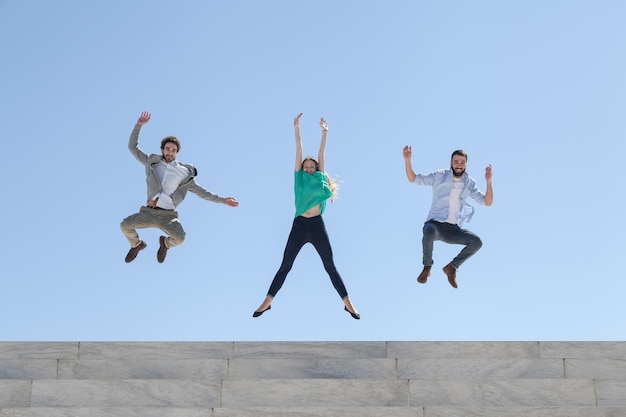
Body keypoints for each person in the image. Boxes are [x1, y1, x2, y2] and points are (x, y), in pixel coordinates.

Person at [253, 113, 360, 319]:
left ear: (317, 169)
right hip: (300, 225)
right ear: (302, 168)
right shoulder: (299, 178)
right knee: (286, 265)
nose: (309, 168)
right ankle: (267, 301)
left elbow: (321, 152)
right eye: (306, 166)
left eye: (312, 166)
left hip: (317, 226)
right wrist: (296, 127)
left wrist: (325, 133)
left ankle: (348, 303)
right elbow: (299, 149)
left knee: (330, 266)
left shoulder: (320, 177)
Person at [121, 111, 239, 263]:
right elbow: (132, 147)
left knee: (180, 238)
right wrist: (138, 126)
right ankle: (136, 244)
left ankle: (165, 244)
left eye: (173, 150)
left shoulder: (184, 173)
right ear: (162, 149)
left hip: (168, 217)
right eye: (167, 149)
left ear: (177, 153)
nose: (170, 152)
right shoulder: (152, 162)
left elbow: (202, 192)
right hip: (148, 213)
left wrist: (224, 200)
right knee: (125, 225)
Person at [402, 146, 493, 288]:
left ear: (466, 164)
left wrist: (488, 181)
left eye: (462, 162)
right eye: (456, 161)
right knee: (429, 231)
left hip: (453, 230)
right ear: (451, 162)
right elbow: (414, 179)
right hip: (435, 225)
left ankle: (451, 268)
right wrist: (407, 160)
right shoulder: (440, 175)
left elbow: (487, 202)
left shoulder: (470, 183)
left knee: (477, 242)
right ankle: (427, 267)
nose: (459, 165)